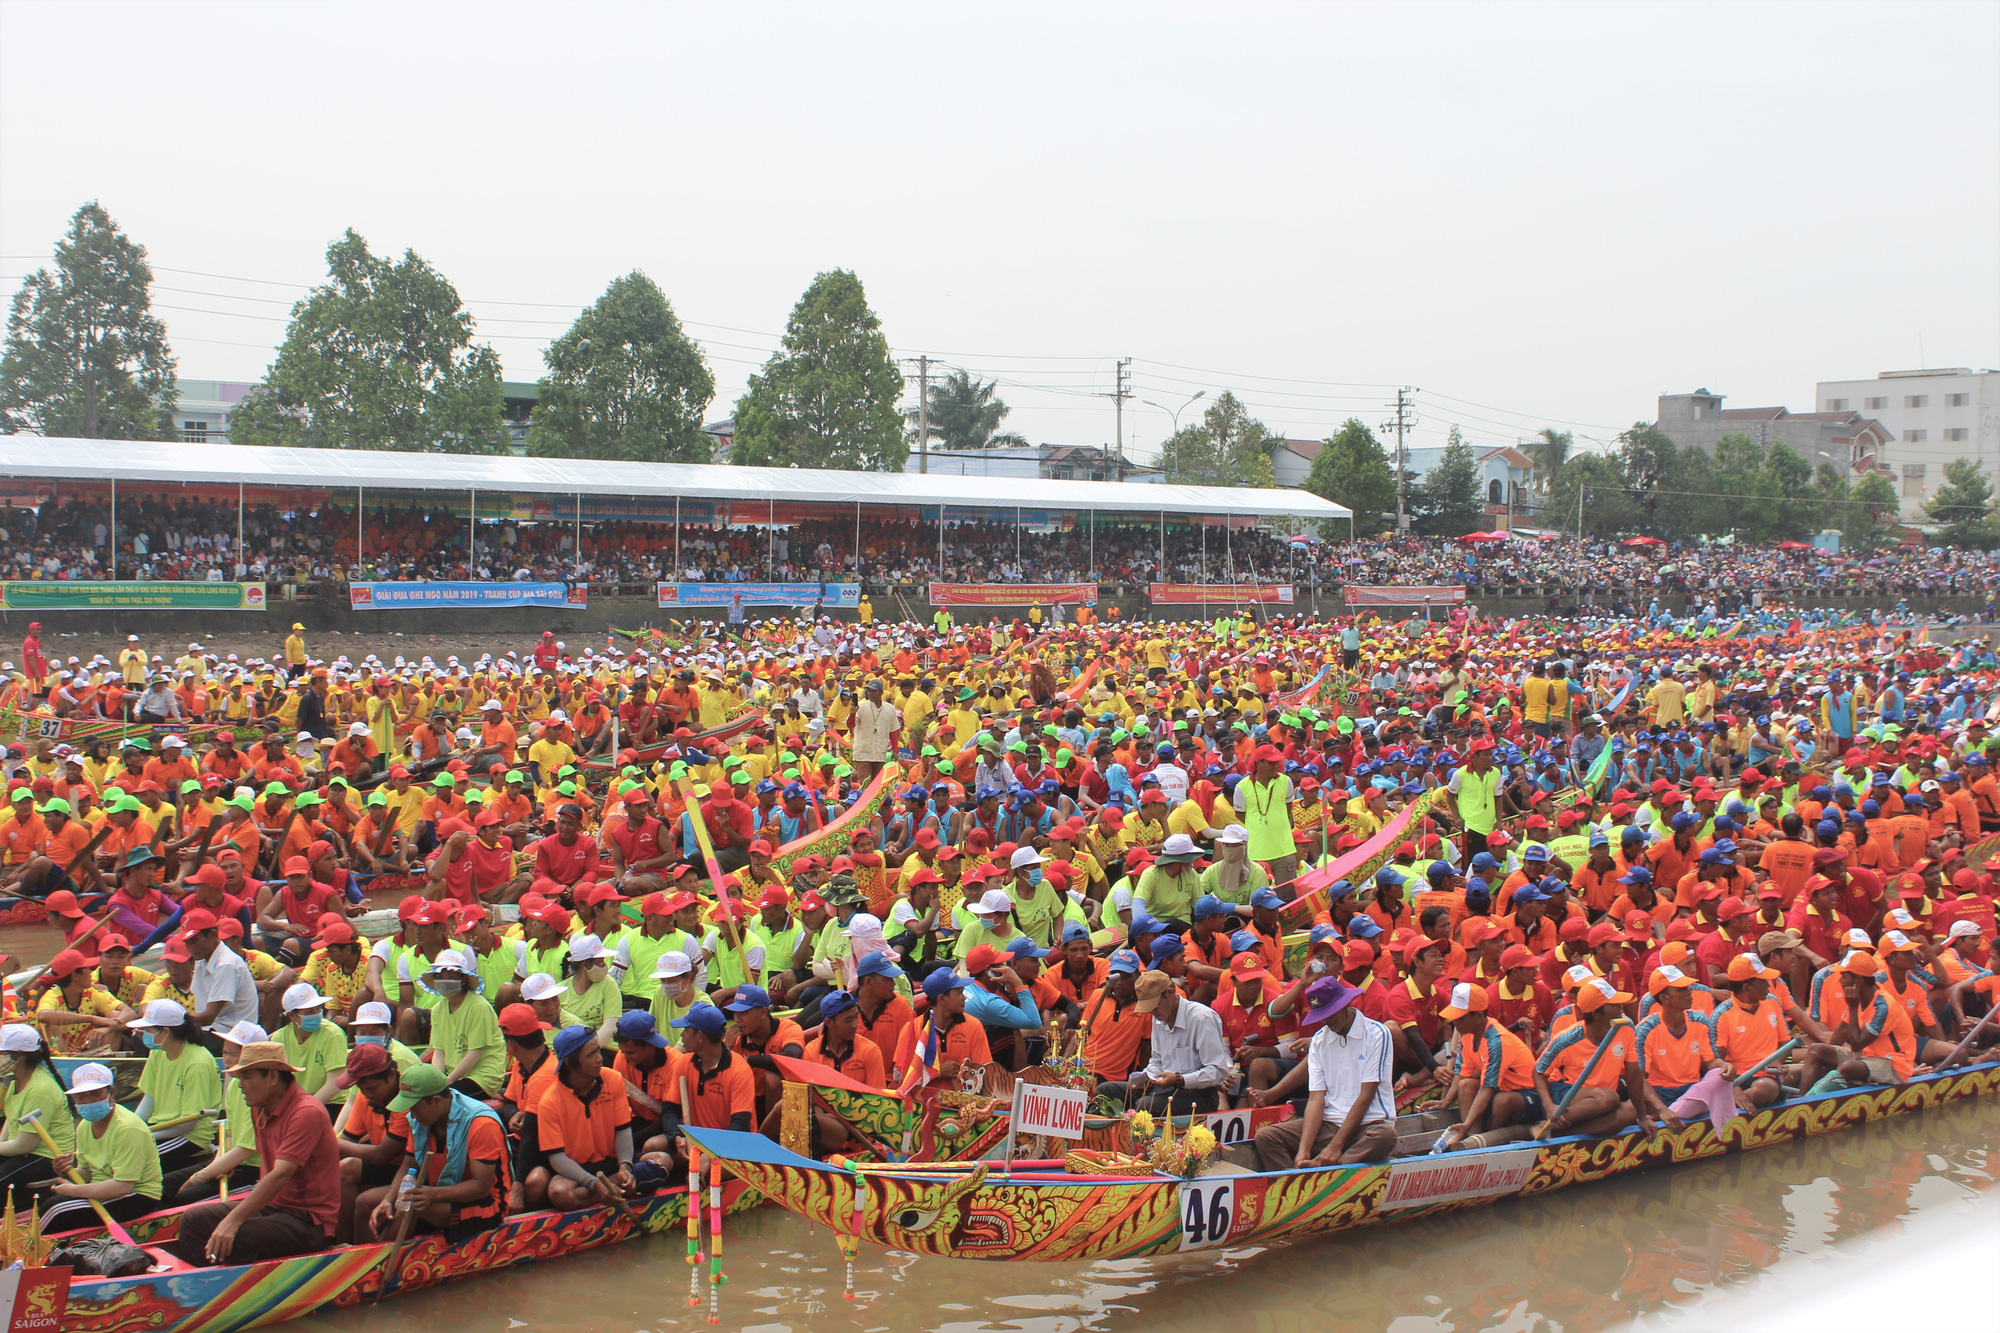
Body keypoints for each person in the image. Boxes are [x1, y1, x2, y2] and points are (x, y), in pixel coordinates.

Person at [171, 1041, 341, 1267]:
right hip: (273, 1208)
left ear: (271, 1077)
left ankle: (230, 1290)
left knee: (236, 1236)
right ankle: (198, 1279)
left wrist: (231, 1221)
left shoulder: (306, 1112)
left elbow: (281, 1175)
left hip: (308, 1219)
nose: (241, 1085)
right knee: (192, 1219)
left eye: (247, 1077)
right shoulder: (258, 1107)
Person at [1251, 978, 1398, 1169]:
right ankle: (1295, 1183)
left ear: (1344, 1006)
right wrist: (1303, 1150)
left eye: (1330, 1014)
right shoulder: (1320, 1040)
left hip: (1369, 1124)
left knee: (1385, 1137)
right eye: (1322, 1016)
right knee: (1266, 1137)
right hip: (1329, 1124)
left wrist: (1336, 1146)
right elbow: (1315, 1099)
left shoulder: (1377, 1033)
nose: (1327, 1021)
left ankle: (1326, 1171)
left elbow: (1366, 1095)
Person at [364, 1063, 512, 1243]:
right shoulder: (417, 1119)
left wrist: (431, 1195)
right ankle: (367, 1253)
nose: (412, 1115)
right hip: (442, 1191)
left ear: (436, 1101)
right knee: (374, 1203)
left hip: (488, 1202)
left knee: (413, 1206)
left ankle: (385, 1261)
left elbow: (481, 1187)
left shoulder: (481, 1124)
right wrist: (388, 1200)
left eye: (415, 1108)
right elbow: (409, 1164)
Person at [39, 1060, 163, 1229]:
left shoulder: (128, 1128)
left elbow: (123, 1186)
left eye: (95, 1094)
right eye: (81, 1096)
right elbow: (88, 1172)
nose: (88, 1101)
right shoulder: (84, 1126)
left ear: (111, 1092)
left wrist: (73, 1191)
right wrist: (67, 1171)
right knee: (48, 1201)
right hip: (105, 1189)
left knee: (56, 1209)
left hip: (137, 1195)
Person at [1098, 972, 1231, 1114]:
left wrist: (1179, 1080)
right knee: (1105, 1091)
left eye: (1154, 1007)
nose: (1152, 1012)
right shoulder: (1159, 1018)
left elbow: (1218, 1071)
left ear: (1170, 993)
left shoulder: (1202, 1018)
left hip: (1198, 1094)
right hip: (1164, 1087)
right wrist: (1147, 1079)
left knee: (1144, 1105)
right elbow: (1157, 1060)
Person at [537, 1024, 635, 1211]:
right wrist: (594, 1184)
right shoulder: (549, 1102)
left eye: (598, 1051)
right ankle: (611, 1192)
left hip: (612, 1165)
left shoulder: (613, 1079)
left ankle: (614, 1187)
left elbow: (623, 1130)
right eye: (591, 1055)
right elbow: (557, 1158)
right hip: (578, 1172)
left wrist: (625, 1167)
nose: (600, 1059)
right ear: (570, 1062)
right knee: (560, 1193)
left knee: (660, 1161)